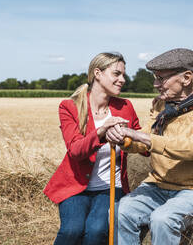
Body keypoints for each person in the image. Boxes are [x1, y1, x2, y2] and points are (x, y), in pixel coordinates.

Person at [106, 48, 193, 245]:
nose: (156, 84)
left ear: (186, 78)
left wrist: (141, 136)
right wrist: (124, 139)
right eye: (155, 78)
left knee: (162, 219)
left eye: (161, 79)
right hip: (157, 184)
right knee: (120, 211)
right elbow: (144, 140)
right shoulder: (161, 104)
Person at [44, 52, 146, 245]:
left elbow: (143, 146)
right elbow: (75, 150)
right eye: (116, 74)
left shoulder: (125, 106)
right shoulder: (70, 106)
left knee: (96, 231)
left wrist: (129, 140)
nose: (122, 80)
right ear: (97, 73)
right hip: (75, 186)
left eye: (123, 75)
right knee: (71, 231)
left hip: (112, 186)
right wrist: (101, 131)